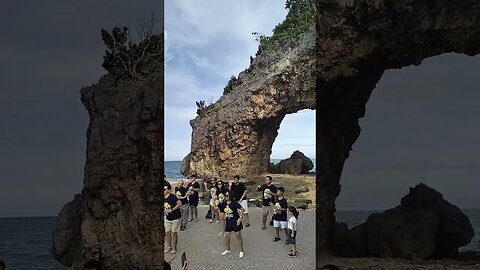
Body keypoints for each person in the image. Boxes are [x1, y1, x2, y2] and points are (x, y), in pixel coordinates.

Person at [219, 190, 245, 258]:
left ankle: (241, 251)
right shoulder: (224, 203)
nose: (226, 197)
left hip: (235, 220)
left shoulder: (234, 203)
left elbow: (242, 209)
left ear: (231, 196)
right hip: (228, 221)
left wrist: (240, 218)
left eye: (227, 196)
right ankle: (228, 249)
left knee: (238, 235)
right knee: (226, 236)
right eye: (225, 195)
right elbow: (219, 209)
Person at [164, 181, 183, 254]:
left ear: (168, 190)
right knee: (167, 232)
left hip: (176, 218)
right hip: (168, 218)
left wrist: (172, 209)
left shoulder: (173, 197)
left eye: (164, 189)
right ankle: (169, 246)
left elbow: (180, 203)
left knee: (173, 233)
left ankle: (174, 247)